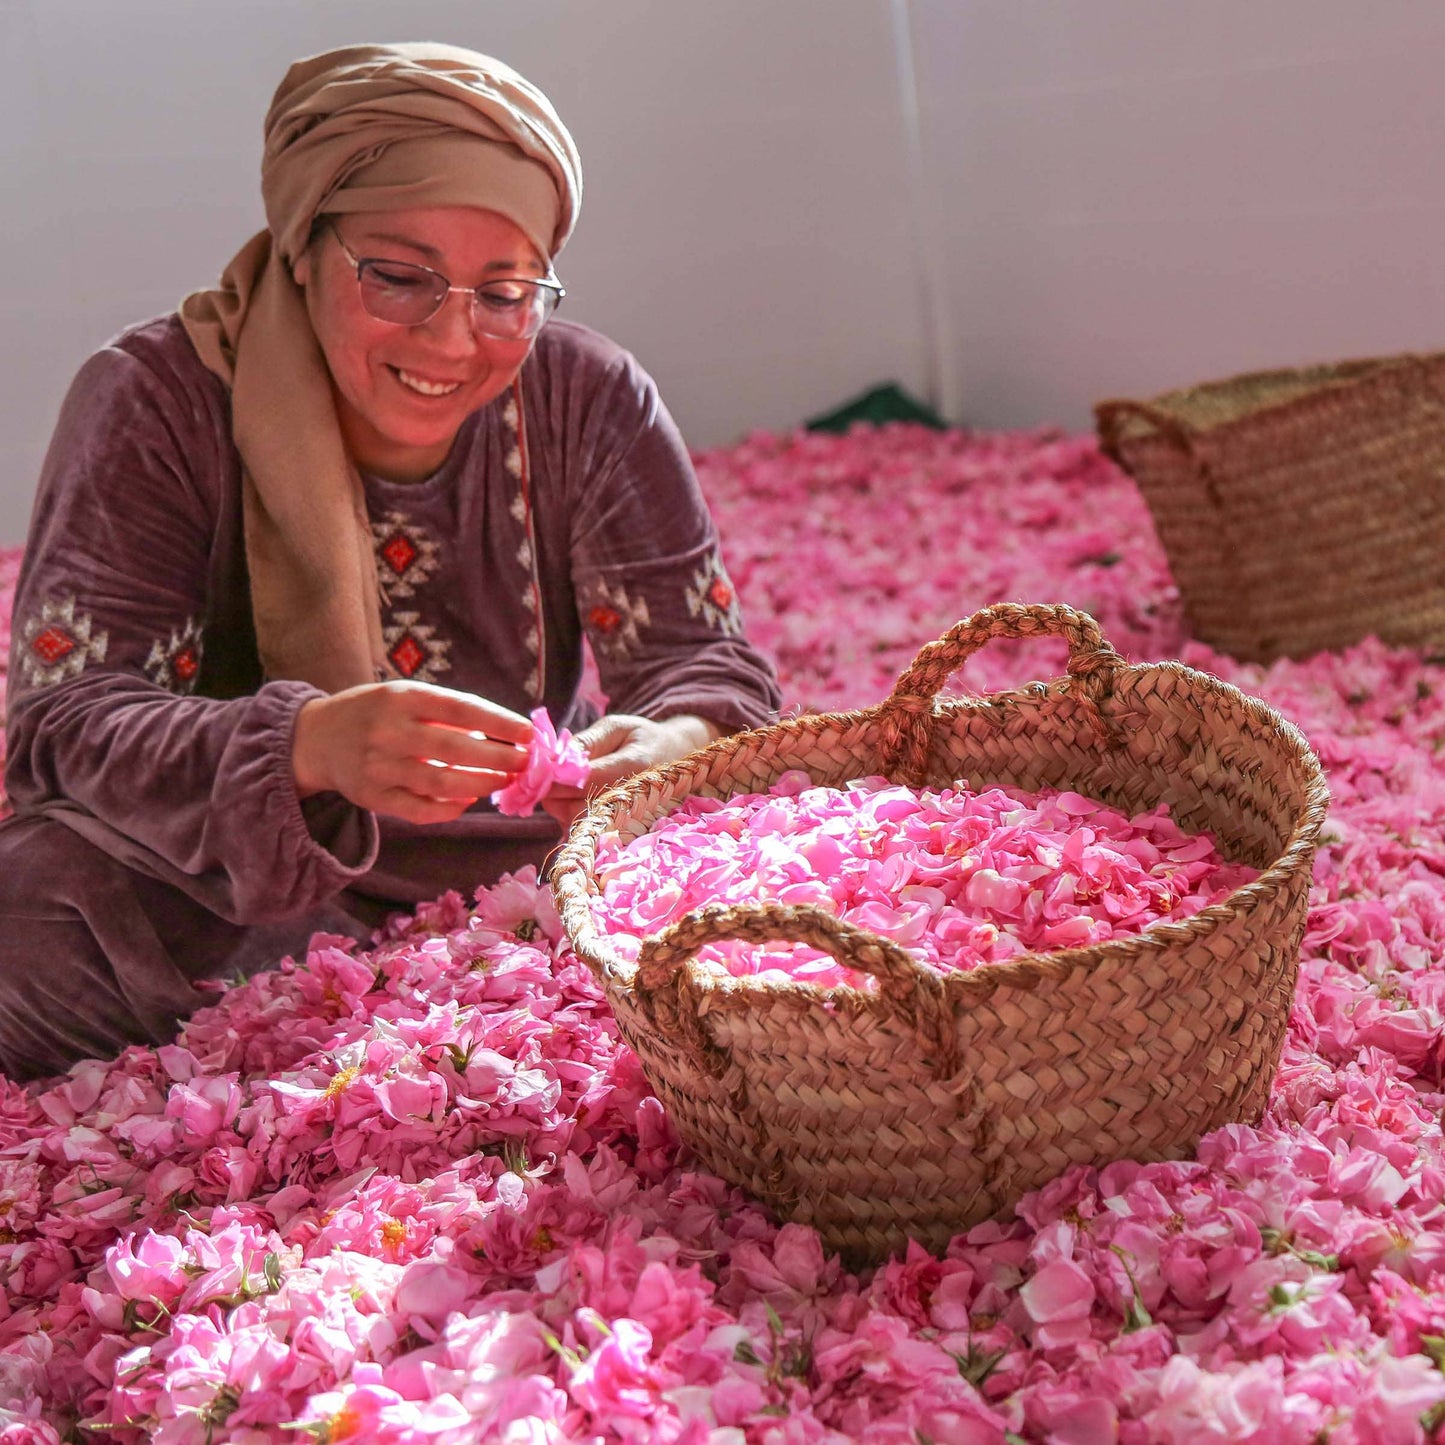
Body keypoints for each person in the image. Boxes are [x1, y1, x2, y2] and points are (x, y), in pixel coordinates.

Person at [0, 42, 780, 1081]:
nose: (454, 339)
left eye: (504, 293)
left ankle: (412, 1010)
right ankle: (366, 1014)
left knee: (780, 876)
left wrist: (671, 738)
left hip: (517, 859)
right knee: (29, 914)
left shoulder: (585, 395)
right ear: (303, 244)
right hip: (226, 884)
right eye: (401, 278)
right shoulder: (155, 398)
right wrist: (306, 747)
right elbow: (63, 724)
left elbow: (707, 670)